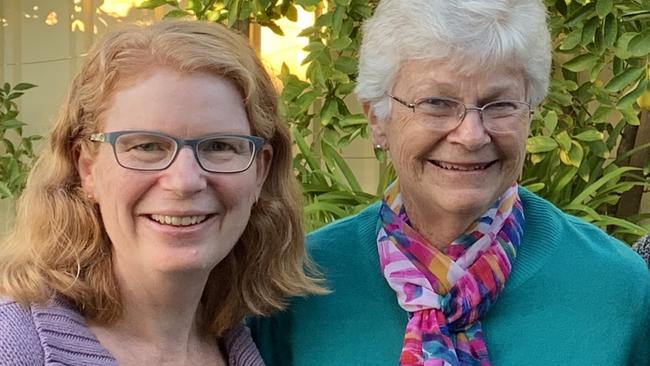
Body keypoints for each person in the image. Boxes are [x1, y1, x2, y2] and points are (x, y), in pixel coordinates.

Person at [249, 0, 650, 365]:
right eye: (436, 103)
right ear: (376, 118)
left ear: (531, 112)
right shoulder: (298, 285)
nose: (471, 135)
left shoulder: (619, 289)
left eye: (501, 104)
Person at [0, 20, 324, 365]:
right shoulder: (14, 347)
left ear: (260, 171)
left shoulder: (251, 343)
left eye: (219, 146)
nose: (184, 181)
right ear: (87, 167)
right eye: (147, 146)